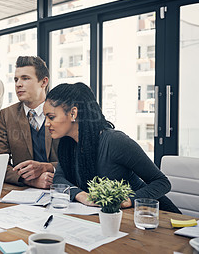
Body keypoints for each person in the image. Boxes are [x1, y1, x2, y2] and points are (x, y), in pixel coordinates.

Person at [44, 82, 180, 213]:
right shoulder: (68, 145)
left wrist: (129, 200)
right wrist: (81, 195)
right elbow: (59, 178)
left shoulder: (115, 141)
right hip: (116, 219)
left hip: (155, 216)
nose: (46, 124)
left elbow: (162, 182)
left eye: (51, 117)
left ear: (73, 113)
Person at [0, 56, 59, 189]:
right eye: (16, 79)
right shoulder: (6, 115)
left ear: (44, 82)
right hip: (22, 192)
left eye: (25, 78)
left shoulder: (61, 112)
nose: (18, 84)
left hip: (61, 189)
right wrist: (29, 181)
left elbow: (77, 160)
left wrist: (49, 168)